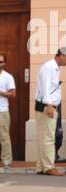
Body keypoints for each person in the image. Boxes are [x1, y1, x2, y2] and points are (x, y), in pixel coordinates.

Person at [34, 46, 66, 174]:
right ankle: (49, 167)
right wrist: (49, 105)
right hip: (47, 106)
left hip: (47, 105)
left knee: (43, 138)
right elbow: (46, 87)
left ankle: (41, 167)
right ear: (61, 55)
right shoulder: (49, 67)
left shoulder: (55, 68)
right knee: (48, 138)